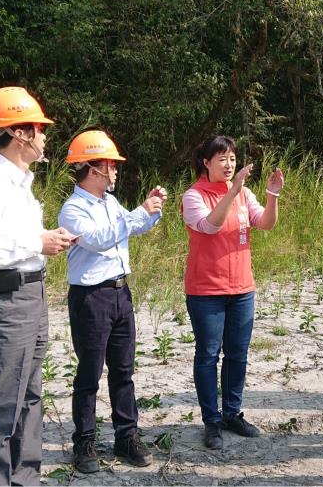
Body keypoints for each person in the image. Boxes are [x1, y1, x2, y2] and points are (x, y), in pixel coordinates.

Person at [0, 86, 78, 486]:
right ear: (20, 133)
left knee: (28, 399)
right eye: (39, 129)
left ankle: (24, 480)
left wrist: (47, 238)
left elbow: (11, 241)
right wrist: (35, 243)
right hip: (2, 304)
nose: (44, 137)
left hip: (30, 297)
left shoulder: (20, 184)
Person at [57, 130, 167, 473]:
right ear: (94, 168)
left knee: (123, 370)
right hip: (91, 297)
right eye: (111, 166)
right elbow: (101, 240)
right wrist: (138, 211)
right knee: (89, 373)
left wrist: (151, 210)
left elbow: (130, 229)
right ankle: (84, 442)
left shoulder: (109, 203)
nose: (116, 171)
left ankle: (126, 436)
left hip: (121, 293)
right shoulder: (72, 209)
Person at [181, 135, 284, 450]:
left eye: (232, 159)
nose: (228, 165)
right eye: (221, 159)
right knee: (208, 354)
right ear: (206, 162)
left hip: (242, 288)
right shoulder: (193, 195)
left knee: (238, 355)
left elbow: (265, 223)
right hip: (206, 290)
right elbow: (209, 226)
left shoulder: (244, 193)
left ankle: (232, 414)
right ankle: (211, 421)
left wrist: (272, 195)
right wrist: (233, 191)